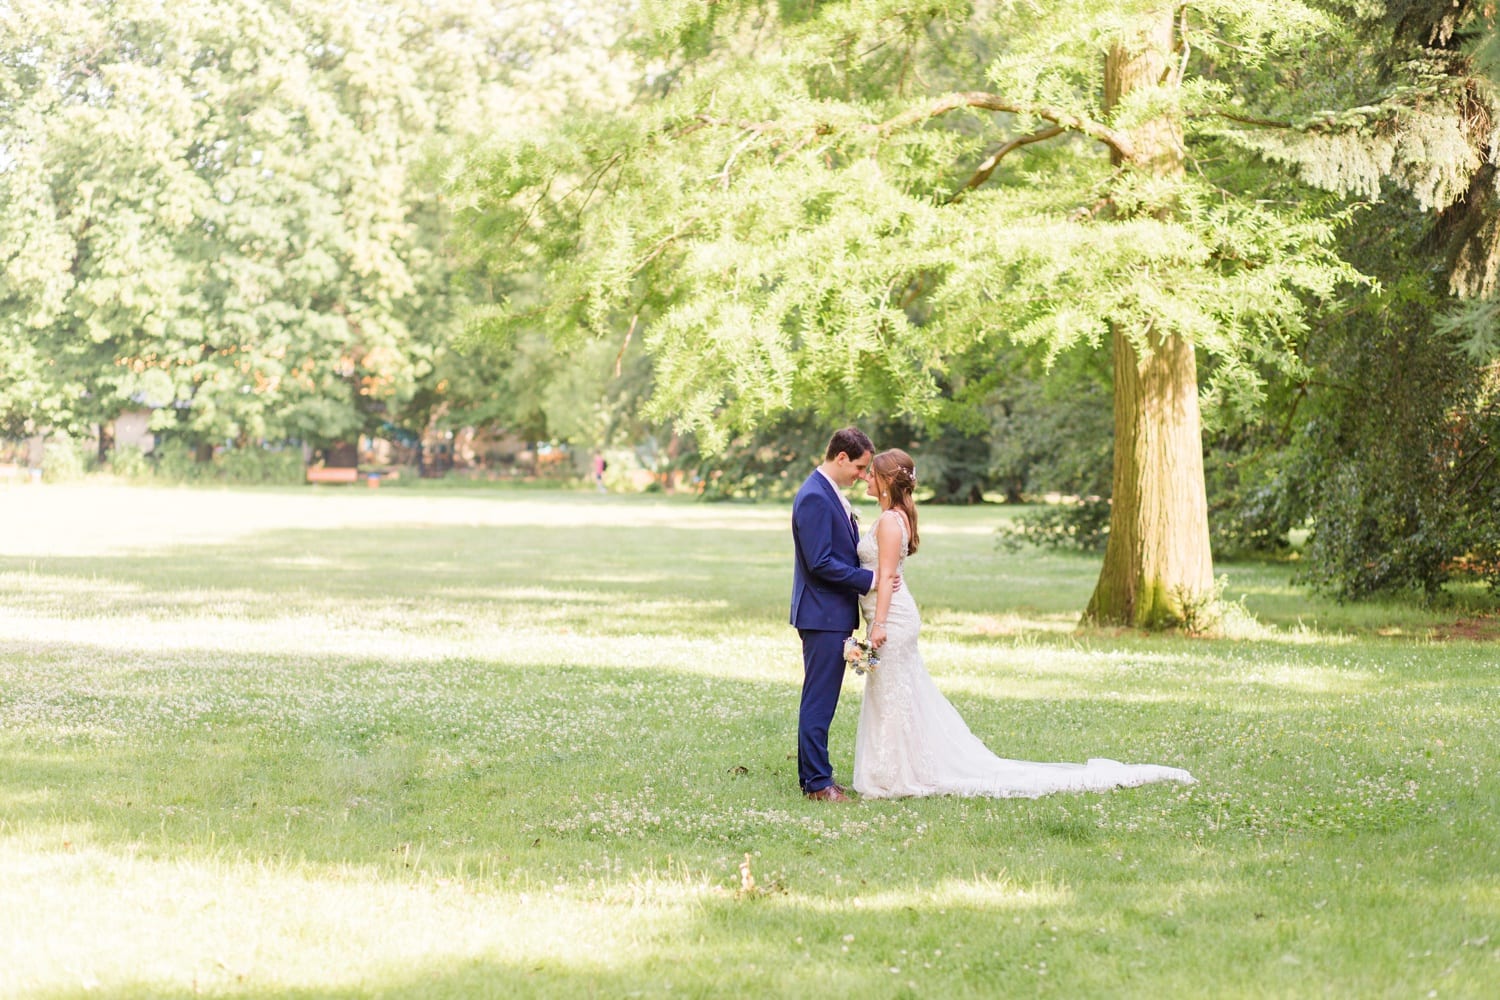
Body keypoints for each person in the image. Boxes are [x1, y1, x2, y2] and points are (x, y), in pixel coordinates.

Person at [852, 448, 1196, 799]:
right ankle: (898, 768)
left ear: (885, 482)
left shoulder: (891, 522)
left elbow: (889, 575)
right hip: (889, 614)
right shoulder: (892, 518)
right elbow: (883, 574)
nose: (865, 478)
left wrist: (878, 625)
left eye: (871, 474)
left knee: (895, 695)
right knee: (895, 695)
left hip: (891, 619)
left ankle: (898, 775)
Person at [789, 427, 890, 802]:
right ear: (842, 457)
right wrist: (871, 578)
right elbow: (820, 562)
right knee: (819, 700)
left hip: (830, 614)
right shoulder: (815, 496)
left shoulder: (827, 493)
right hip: (821, 615)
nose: (863, 475)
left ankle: (814, 777)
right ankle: (817, 784)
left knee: (821, 699)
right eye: (861, 467)